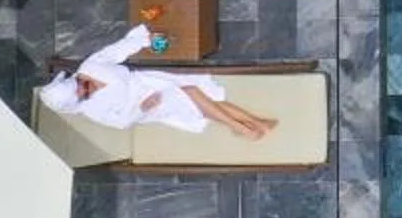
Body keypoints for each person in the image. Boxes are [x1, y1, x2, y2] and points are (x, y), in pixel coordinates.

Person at [37, 25, 280, 141]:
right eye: (80, 90)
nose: (81, 82)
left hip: (151, 82)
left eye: (77, 82)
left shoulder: (89, 67)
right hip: (151, 104)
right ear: (76, 100)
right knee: (193, 93)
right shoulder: (93, 110)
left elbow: (116, 50)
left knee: (205, 99)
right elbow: (122, 123)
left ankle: (251, 124)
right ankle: (243, 125)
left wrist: (145, 39)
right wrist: (142, 107)